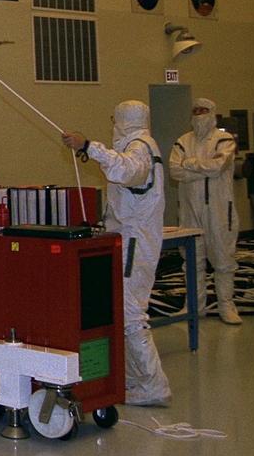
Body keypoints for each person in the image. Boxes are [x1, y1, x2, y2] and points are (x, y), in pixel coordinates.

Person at [62, 100, 170, 406]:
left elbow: (127, 171)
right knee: (124, 310)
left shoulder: (140, 148)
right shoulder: (141, 146)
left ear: (123, 120)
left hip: (135, 241)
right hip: (131, 237)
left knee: (131, 311)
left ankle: (154, 385)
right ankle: (136, 378)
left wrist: (89, 146)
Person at [169, 98, 241, 325]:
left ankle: (226, 305)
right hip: (190, 210)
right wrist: (204, 167)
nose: (199, 114)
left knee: (223, 257)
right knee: (192, 259)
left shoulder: (224, 139)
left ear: (212, 113)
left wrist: (189, 164)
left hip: (220, 210)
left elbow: (218, 166)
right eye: (196, 110)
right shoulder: (183, 141)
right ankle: (194, 306)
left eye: (204, 110)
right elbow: (174, 171)